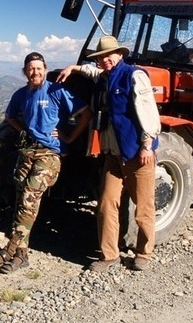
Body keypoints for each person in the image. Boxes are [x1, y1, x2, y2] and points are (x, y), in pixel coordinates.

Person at [57, 36, 161, 272]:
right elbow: (93, 72)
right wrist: (74, 68)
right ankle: (110, 255)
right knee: (106, 203)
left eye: (108, 56)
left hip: (137, 154)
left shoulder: (134, 76)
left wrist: (146, 145)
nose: (104, 60)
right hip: (113, 155)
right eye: (100, 58)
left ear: (120, 54)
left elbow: (148, 112)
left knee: (143, 207)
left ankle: (143, 253)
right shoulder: (104, 77)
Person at [0, 52, 92, 274]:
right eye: (31, 68)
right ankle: (22, 256)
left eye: (39, 68)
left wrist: (68, 138)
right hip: (27, 152)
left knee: (29, 198)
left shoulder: (56, 90)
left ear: (45, 69)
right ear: (25, 71)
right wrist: (23, 131)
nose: (35, 72)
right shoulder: (21, 95)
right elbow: (10, 116)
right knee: (22, 200)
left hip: (50, 154)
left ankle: (8, 251)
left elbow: (86, 114)